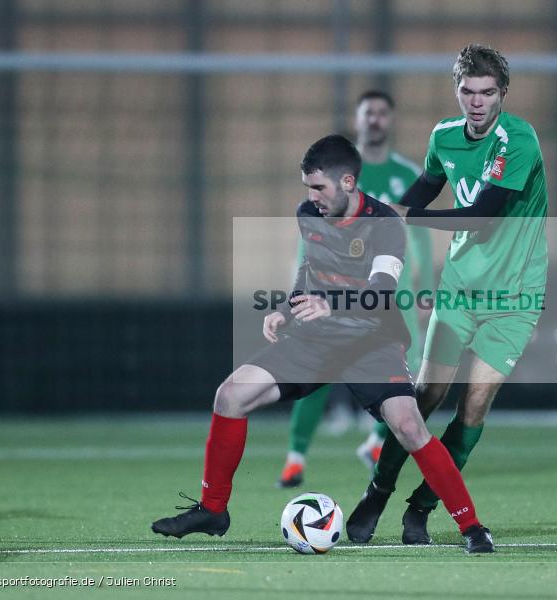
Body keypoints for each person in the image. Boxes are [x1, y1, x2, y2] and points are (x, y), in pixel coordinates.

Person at [151, 134, 494, 553]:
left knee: (408, 424)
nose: (311, 197)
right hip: (317, 340)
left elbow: (381, 292)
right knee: (230, 395)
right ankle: (213, 509)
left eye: (319, 187)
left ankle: (472, 527)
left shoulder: (385, 225)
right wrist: (289, 308)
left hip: (372, 342)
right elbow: (310, 269)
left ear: (348, 183)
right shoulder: (308, 214)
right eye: (307, 188)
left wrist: (328, 304)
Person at [345, 44, 548, 545]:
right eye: (467, 91)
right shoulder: (443, 137)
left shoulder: (517, 140)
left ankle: (422, 508)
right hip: (459, 289)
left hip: (515, 297)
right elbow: (427, 187)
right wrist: (390, 216)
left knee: (473, 407)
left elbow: (482, 215)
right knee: (423, 398)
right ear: (456, 91)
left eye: (486, 92)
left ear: (502, 93)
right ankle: (378, 491)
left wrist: (408, 215)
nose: (476, 102)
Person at [276, 90, 434, 488]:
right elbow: (311, 230)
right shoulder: (334, 171)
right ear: (359, 119)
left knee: (402, 377)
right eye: (369, 113)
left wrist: (425, 290)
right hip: (330, 285)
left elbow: (417, 236)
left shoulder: (405, 174)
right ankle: (296, 455)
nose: (376, 120)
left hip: (385, 291)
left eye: (382, 113)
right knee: (315, 368)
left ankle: (377, 445)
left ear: (390, 120)